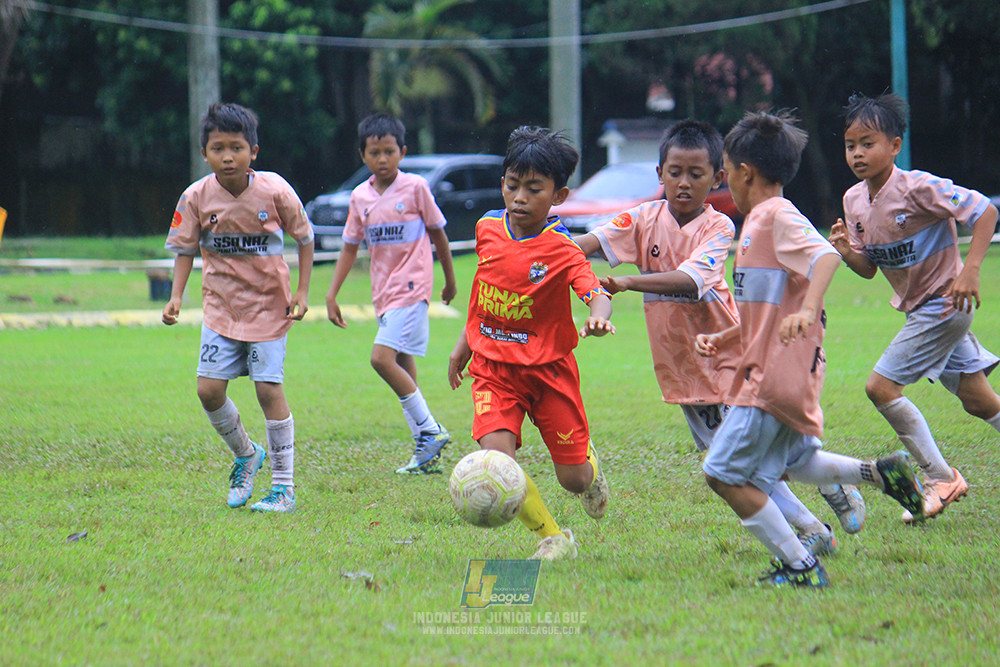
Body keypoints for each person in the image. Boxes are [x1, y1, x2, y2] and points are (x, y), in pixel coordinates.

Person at [575, 119, 866, 556]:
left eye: (697, 174)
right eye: (675, 172)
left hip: (730, 358)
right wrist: (534, 252)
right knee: (749, 460)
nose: (684, 183)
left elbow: (691, 281)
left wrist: (631, 283)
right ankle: (833, 488)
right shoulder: (642, 219)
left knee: (737, 465)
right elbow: (588, 242)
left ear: (718, 178)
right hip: (681, 367)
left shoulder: (719, 228)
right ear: (659, 174)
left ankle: (813, 527)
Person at [697, 110, 924, 587]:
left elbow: (824, 255)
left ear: (745, 172)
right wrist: (725, 337)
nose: (725, 181)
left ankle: (801, 564)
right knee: (795, 462)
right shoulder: (759, 223)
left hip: (774, 376)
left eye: (725, 171)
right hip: (786, 370)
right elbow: (768, 308)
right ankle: (880, 475)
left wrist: (808, 309)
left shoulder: (775, 215)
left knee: (723, 474)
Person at [829, 92, 1000, 523]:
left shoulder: (919, 187)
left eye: (868, 143)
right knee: (980, 401)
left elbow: (985, 212)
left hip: (945, 304)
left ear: (895, 145)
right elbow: (869, 269)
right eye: (851, 145)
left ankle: (940, 478)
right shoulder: (854, 202)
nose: (858, 153)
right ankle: (942, 477)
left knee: (880, 388)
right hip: (919, 311)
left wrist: (971, 270)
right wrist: (848, 251)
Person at [448, 126, 614, 561]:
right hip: (494, 370)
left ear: (558, 196)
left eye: (533, 188)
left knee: (573, 480)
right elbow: (484, 294)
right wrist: (462, 346)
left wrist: (598, 319)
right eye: (512, 184)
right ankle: (554, 537)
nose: (519, 197)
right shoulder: (487, 228)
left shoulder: (562, 248)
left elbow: (596, 292)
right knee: (498, 462)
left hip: (548, 373)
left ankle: (590, 468)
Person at [162, 102, 313, 513]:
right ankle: (246, 454)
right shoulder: (195, 196)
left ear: (254, 152)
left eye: (236, 147)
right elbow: (184, 249)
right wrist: (176, 296)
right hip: (220, 308)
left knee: (268, 390)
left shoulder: (275, 190)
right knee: (208, 390)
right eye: (217, 148)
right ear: (204, 153)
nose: (227, 156)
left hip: (269, 308)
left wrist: (302, 292)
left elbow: (305, 237)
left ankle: (283, 487)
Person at [326, 113, 457, 474]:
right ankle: (425, 453)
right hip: (383, 294)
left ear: (402, 152)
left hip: (412, 288)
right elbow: (350, 247)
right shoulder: (359, 197)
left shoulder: (416, 188)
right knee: (402, 363)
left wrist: (449, 279)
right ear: (363, 155)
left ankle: (431, 429)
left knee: (380, 359)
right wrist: (332, 294)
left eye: (388, 151)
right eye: (374, 152)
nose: (382, 159)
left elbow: (439, 235)